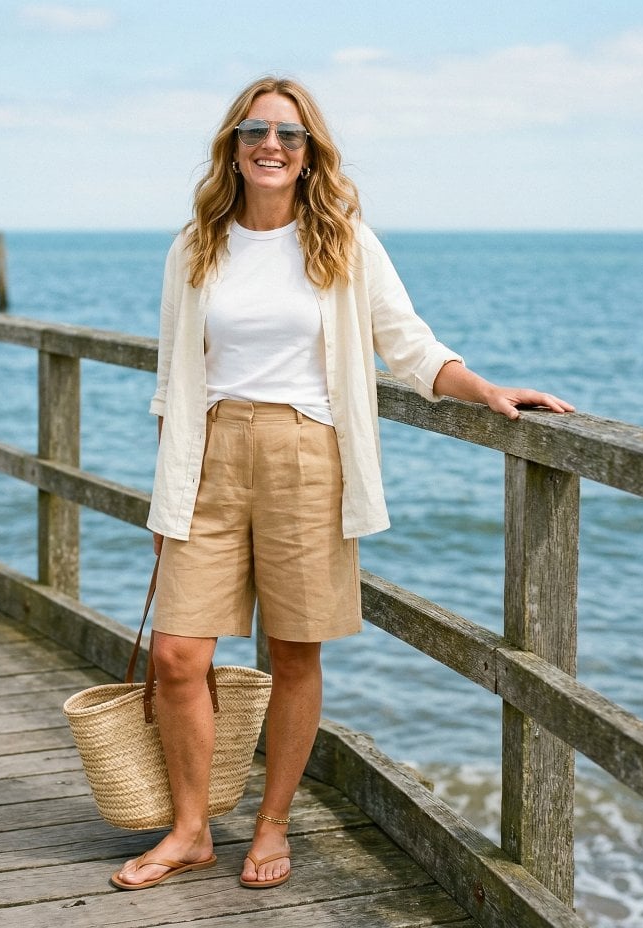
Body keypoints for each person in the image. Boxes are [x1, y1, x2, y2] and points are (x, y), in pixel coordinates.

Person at [111, 76, 574, 892]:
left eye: (289, 136)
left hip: (307, 453)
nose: (271, 146)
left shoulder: (344, 241)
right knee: (179, 656)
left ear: (310, 153)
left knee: (293, 652)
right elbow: (170, 379)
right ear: (233, 144)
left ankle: (272, 822)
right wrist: (166, 496)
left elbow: (412, 346)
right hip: (207, 455)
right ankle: (190, 830)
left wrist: (490, 390)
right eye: (256, 131)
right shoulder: (195, 245)